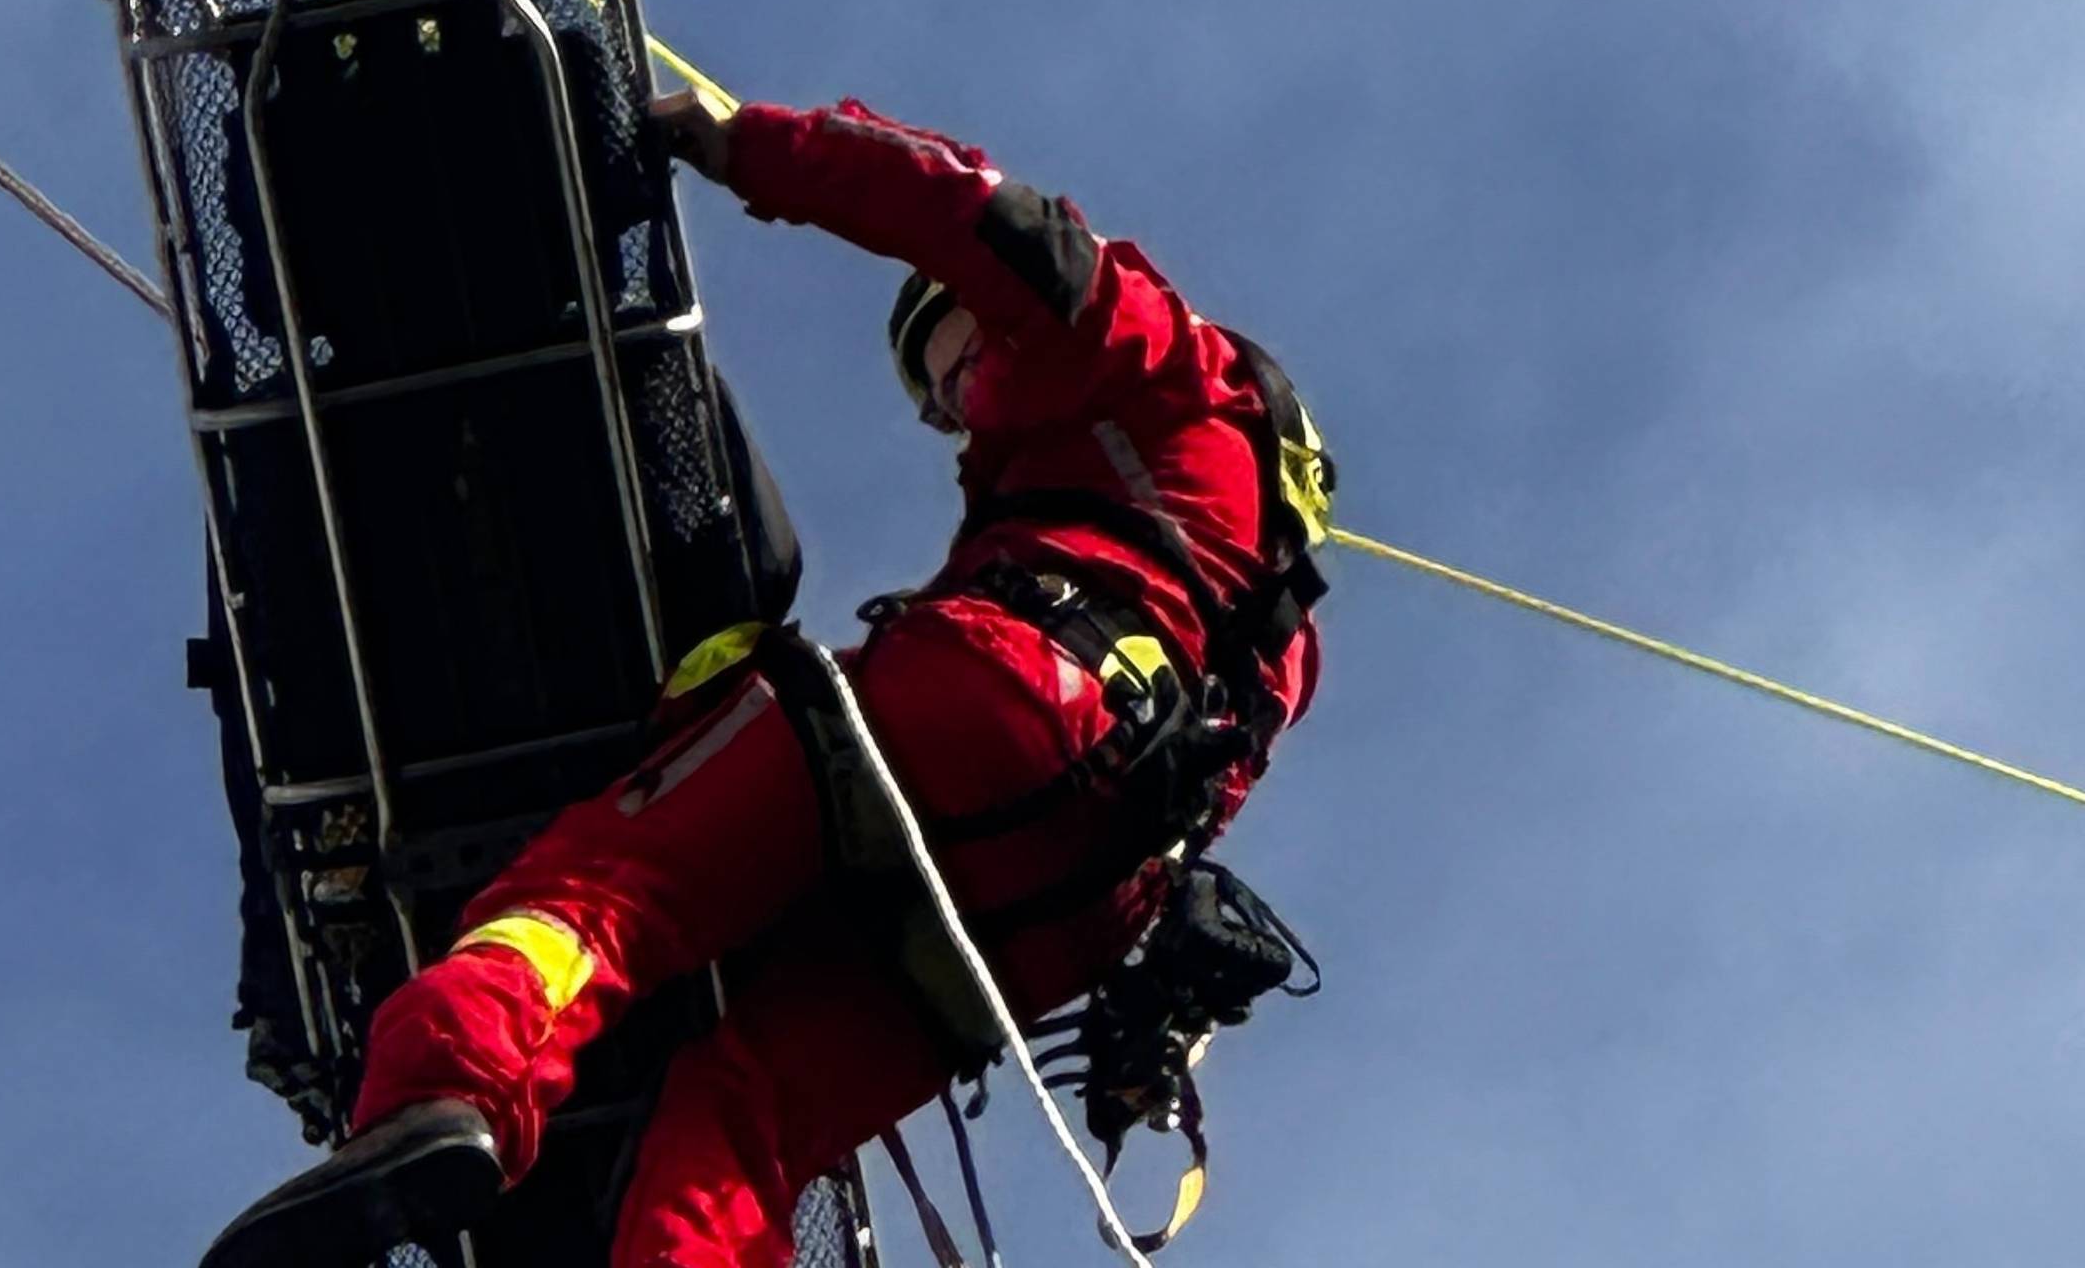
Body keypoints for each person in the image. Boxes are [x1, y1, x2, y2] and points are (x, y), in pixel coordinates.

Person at [202, 89, 1330, 1268]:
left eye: (942, 358)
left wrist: (742, 143)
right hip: (1070, 901)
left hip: (1005, 693)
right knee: (748, 1118)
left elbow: (965, 207)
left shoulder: (1153, 359)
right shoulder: (1275, 635)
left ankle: (446, 1092)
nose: (947, 406)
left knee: (608, 889)